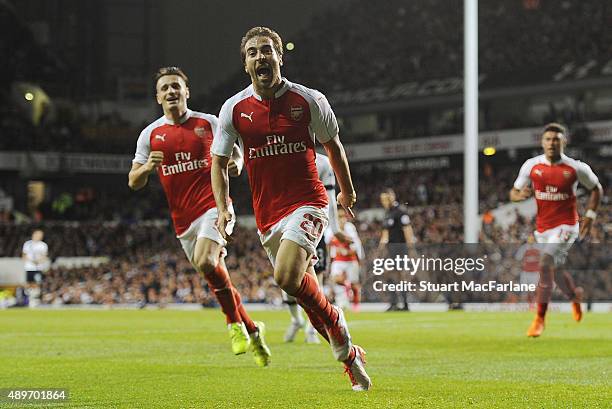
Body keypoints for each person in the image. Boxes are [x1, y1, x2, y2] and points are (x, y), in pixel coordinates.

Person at [211, 27, 371, 391]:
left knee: (285, 278)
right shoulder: (234, 109)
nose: (260, 57)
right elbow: (218, 163)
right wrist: (223, 209)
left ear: (280, 56)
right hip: (268, 214)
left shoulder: (308, 100)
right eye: (252, 52)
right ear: (246, 63)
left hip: (309, 202)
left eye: (266, 50)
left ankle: (337, 321)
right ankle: (349, 355)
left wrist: (345, 193)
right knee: (304, 292)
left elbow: (334, 148)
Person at [128, 66, 270, 366]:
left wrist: (238, 162)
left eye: (176, 86)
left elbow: (237, 150)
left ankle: (232, 325)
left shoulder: (209, 123)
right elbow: (133, 181)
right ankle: (253, 330)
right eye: (165, 87)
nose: (171, 91)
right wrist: (146, 169)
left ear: (186, 91)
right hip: (183, 223)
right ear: (158, 96)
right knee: (217, 276)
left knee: (207, 261)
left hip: (215, 207)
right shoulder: (150, 134)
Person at [510, 123, 602, 337]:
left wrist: (590, 215)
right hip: (543, 228)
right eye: (548, 139)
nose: (552, 143)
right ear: (542, 143)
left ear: (564, 142)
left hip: (567, 226)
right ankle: (574, 296)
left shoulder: (576, 168)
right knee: (555, 271)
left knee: (545, 263)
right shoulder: (531, 166)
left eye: (556, 139)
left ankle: (539, 319)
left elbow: (596, 189)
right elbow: (513, 192)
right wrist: (518, 196)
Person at [283, 153, 344, 344]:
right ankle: (296, 320)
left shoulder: (323, 162)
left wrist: (335, 229)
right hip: (286, 228)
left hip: (316, 231)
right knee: (286, 282)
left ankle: (312, 329)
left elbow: (331, 199)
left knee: (316, 280)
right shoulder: (282, 156)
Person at [379, 188, 417, 311]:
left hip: (401, 248)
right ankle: (394, 302)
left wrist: (411, 249)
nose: (383, 202)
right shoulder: (387, 214)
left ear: (391, 197)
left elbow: (407, 230)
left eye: (385, 199)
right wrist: (380, 249)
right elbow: (385, 235)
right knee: (388, 273)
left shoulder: (400, 211)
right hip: (391, 249)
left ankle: (405, 303)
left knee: (401, 275)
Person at [329, 207, 364, 311]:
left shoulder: (350, 228)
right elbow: (329, 243)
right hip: (338, 260)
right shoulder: (332, 227)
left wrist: (346, 250)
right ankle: (344, 293)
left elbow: (356, 245)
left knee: (354, 284)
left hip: (351, 259)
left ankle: (356, 305)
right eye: (339, 216)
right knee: (335, 279)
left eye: (343, 216)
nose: (341, 219)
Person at [22, 229, 49, 307]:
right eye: (37, 234)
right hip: (29, 267)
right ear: (33, 234)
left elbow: (44, 257)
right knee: (28, 284)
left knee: (37, 284)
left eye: (41, 235)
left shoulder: (43, 245)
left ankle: (35, 300)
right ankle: (29, 299)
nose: (39, 236)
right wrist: (31, 261)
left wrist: (38, 261)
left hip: (38, 267)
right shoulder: (27, 244)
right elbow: (24, 256)